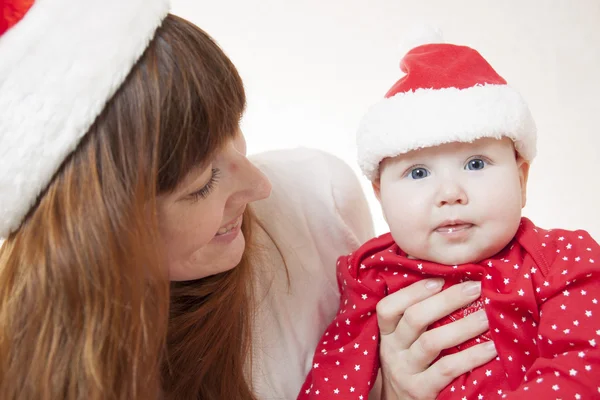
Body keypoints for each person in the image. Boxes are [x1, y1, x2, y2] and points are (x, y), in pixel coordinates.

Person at [0, 2, 497, 399]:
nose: (260, 185)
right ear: (92, 234)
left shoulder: (318, 197)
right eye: (201, 184)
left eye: (234, 131)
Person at [298, 33, 600, 399]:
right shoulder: (371, 276)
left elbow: (581, 364)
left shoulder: (563, 259)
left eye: (476, 164)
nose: (450, 194)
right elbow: (335, 378)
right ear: (380, 195)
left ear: (521, 180)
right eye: (418, 173)